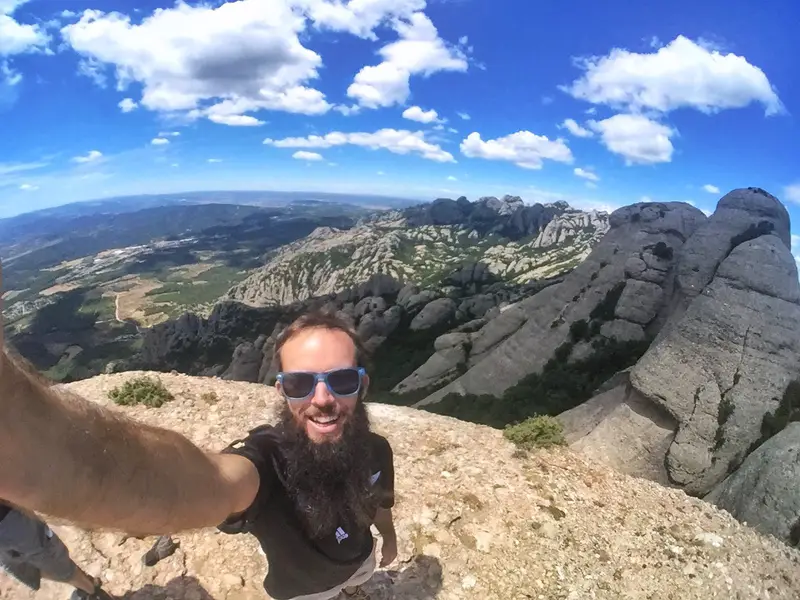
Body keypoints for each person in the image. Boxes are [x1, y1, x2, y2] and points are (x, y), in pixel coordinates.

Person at [0, 260, 398, 600]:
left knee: (358, 580)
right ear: (282, 392)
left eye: (342, 380)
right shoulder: (269, 464)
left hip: (362, 561)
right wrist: (33, 443)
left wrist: (388, 538)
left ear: (362, 385)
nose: (324, 399)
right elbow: (200, 484)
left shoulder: (377, 449)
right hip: (303, 592)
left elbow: (380, 501)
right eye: (300, 384)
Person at [0, 501, 113, 599]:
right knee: (25, 570)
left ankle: (93, 592)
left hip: (8, 519)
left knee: (53, 560)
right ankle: (84, 585)